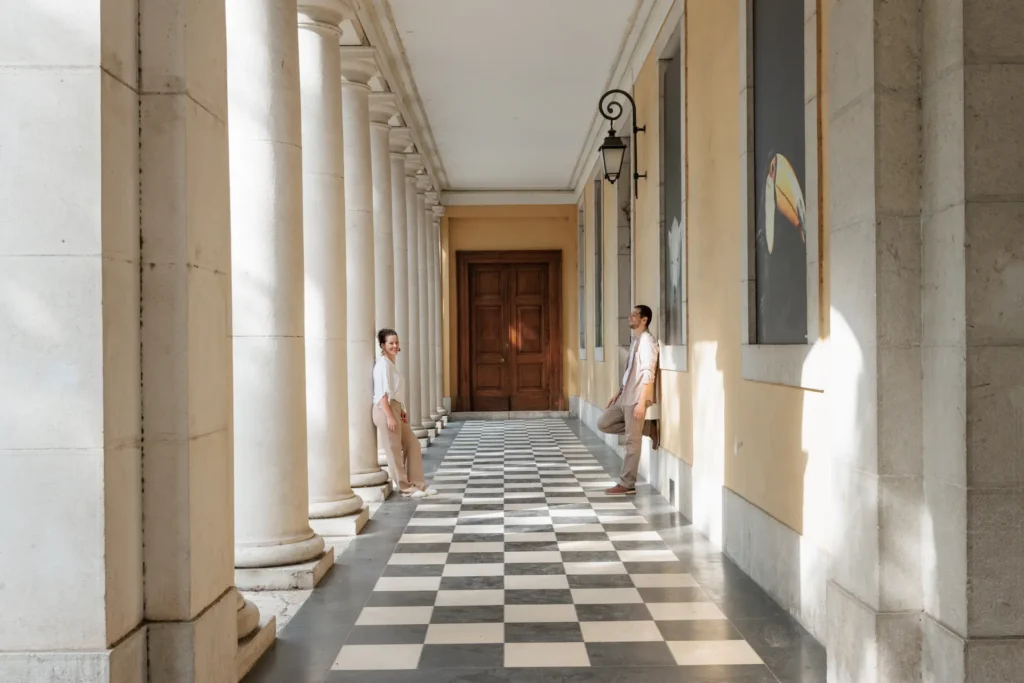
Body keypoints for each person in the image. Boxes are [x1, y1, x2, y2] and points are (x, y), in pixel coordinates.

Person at [597, 305, 659, 495]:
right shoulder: (636, 341)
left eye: (634, 314)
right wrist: (619, 391)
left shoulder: (647, 342)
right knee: (604, 423)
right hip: (626, 395)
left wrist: (642, 402)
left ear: (644, 320)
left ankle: (627, 483)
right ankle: (648, 428)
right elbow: (630, 371)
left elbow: (649, 374)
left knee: (632, 441)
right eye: (630, 313)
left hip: (637, 397)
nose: (630, 316)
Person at [372, 328, 436, 498]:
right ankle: (405, 488)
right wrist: (390, 416)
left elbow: (396, 392)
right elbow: (382, 395)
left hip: (395, 409)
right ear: (383, 345)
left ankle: (418, 485)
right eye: (390, 343)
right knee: (393, 451)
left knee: (413, 445)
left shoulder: (391, 364)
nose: (394, 345)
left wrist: (402, 410)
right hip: (385, 410)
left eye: (396, 342)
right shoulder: (382, 365)